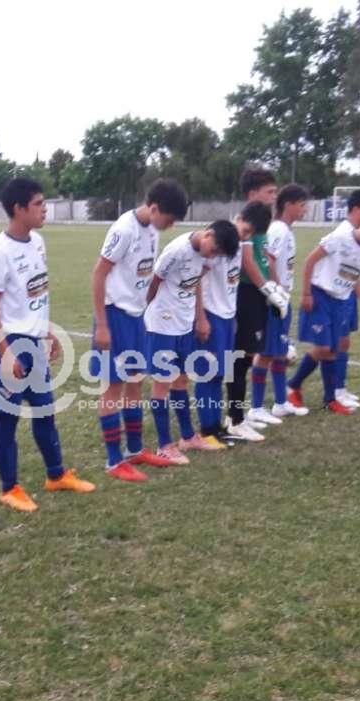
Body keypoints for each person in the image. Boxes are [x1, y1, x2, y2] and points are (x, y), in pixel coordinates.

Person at [0, 178, 94, 512]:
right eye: (39, 204)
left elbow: (35, 296)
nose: (45, 209)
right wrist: (6, 353)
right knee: (8, 417)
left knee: (44, 409)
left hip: (33, 342)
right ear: (19, 209)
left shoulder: (38, 242)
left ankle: (56, 475)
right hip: (8, 343)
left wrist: (47, 332)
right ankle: (9, 488)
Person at [89, 180, 188, 482]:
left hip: (135, 317)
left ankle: (134, 450)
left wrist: (143, 313)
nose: (170, 226)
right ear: (154, 208)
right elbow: (99, 274)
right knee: (113, 387)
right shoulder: (124, 229)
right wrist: (102, 324)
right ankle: (113, 460)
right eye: (169, 219)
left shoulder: (152, 230)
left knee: (134, 381)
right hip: (114, 315)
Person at [144, 220, 241, 462]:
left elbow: (196, 282)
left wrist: (199, 317)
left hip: (185, 324)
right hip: (163, 325)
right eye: (214, 250)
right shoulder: (177, 251)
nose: (213, 256)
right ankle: (164, 445)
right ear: (208, 234)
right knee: (162, 384)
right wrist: (143, 314)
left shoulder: (205, 255)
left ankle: (187, 437)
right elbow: (154, 283)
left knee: (181, 381)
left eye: (218, 254)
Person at [286, 210, 360, 412]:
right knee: (324, 348)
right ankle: (293, 385)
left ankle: (330, 400)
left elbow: (355, 276)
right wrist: (306, 294)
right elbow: (310, 261)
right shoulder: (339, 238)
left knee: (333, 350)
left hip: (340, 301)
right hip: (320, 295)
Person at [197, 202, 272, 445]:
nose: (246, 237)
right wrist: (201, 317)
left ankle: (218, 427)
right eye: (246, 230)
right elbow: (197, 280)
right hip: (212, 315)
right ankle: (208, 429)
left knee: (221, 373)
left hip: (228, 317)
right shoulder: (218, 243)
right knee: (209, 374)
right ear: (238, 218)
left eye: (251, 235)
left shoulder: (239, 245)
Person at [224, 169, 288, 440]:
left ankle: (237, 415)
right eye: (269, 192)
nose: (274, 197)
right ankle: (235, 419)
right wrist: (268, 289)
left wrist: (274, 287)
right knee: (240, 357)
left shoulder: (259, 222)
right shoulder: (246, 224)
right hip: (245, 294)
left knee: (247, 356)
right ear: (252, 194)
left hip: (256, 295)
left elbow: (263, 259)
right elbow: (248, 262)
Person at [250, 184, 310, 419]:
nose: (305, 210)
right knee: (266, 353)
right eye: (302, 205)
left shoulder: (285, 230)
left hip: (281, 299)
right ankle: (256, 407)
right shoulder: (278, 230)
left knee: (279, 351)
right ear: (288, 205)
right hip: (274, 301)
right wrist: (276, 290)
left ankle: (280, 403)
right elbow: (269, 259)